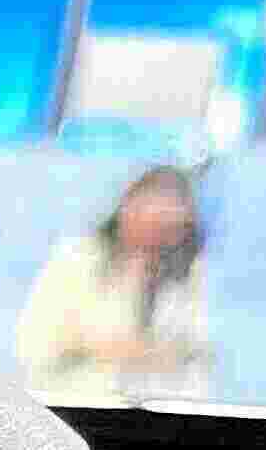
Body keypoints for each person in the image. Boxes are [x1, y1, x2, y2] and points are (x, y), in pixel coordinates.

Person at [16, 165, 211, 406]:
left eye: (171, 228)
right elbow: (37, 343)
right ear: (127, 209)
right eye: (151, 218)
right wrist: (129, 350)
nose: (158, 235)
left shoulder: (187, 276)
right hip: (74, 402)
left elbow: (195, 357)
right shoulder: (78, 257)